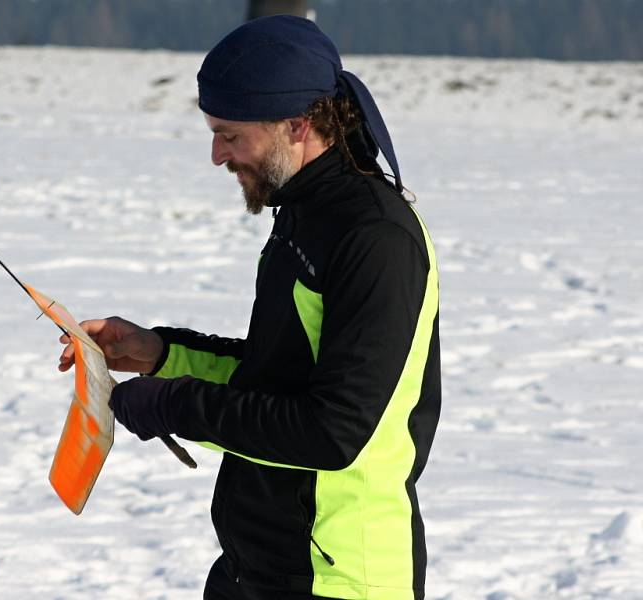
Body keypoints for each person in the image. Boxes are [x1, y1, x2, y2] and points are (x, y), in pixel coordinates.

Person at [58, 15, 440, 600]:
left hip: (337, 579)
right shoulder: (303, 215)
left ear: (296, 124)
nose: (216, 155)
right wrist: (161, 355)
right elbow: (276, 379)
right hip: (258, 566)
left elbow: (333, 433)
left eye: (230, 134)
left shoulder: (375, 238)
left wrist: (176, 404)